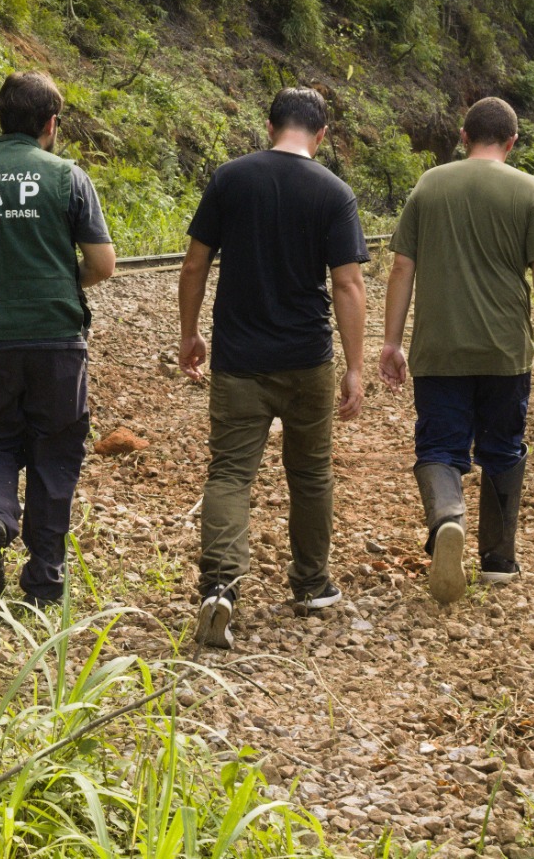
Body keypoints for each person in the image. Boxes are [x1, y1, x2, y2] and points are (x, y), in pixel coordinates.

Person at [179, 87, 368, 650]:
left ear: (269, 126)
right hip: (307, 358)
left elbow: (194, 266)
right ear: (322, 134)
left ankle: (220, 588)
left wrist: (190, 334)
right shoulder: (334, 192)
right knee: (310, 473)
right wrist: (354, 367)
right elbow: (348, 284)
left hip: (239, 359)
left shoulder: (230, 179)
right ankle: (310, 585)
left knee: (231, 473)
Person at [0, 71, 116, 608]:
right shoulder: (67, 177)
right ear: (50, 123)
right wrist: (57, 276)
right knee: (56, 449)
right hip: (56, 336)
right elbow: (103, 263)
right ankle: (45, 579)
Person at [380, 97, 534, 604]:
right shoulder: (530, 190)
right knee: (504, 448)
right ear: (511, 142)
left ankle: (447, 520)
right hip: (505, 350)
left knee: (440, 449)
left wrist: (392, 342)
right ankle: (499, 561)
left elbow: (402, 268)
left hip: (439, 350)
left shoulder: (429, 185)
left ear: (463, 136)